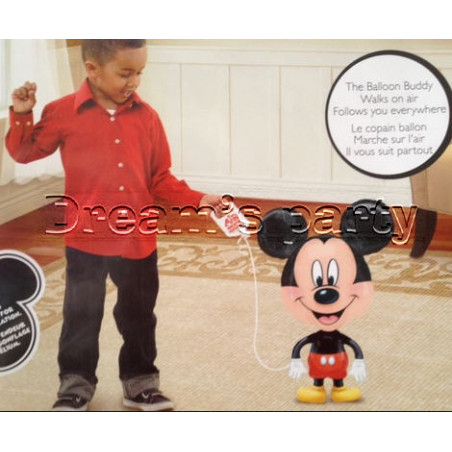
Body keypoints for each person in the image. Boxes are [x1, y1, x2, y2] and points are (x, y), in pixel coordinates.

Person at [5, 39, 223, 411]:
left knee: (139, 316)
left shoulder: (147, 117)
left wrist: (198, 199)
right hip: (86, 239)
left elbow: (160, 178)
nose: (134, 81)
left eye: (139, 72)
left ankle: (141, 384)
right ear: (93, 69)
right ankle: (74, 386)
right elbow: (25, 153)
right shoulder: (61, 113)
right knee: (81, 316)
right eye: (125, 73)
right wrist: (22, 115)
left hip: (137, 240)